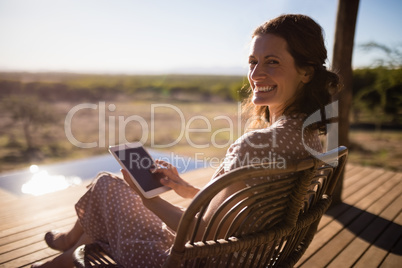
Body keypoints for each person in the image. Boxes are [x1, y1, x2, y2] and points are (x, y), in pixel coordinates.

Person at [32, 14, 340, 267]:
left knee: (106, 185)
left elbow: (203, 232)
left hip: (192, 261)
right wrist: (184, 188)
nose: (256, 73)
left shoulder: (256, 144)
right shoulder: (311, 138)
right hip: (249, 259)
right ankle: (66, 250)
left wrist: (150, 200)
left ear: (306, 73)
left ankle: (67, 246)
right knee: (103, 211)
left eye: (272, 61)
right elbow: (242, 212)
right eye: (253, 61)